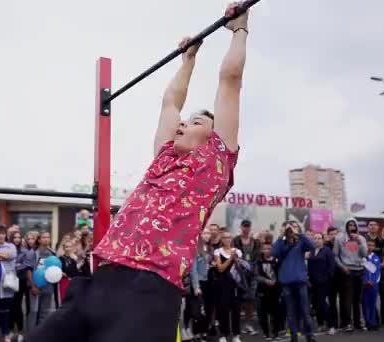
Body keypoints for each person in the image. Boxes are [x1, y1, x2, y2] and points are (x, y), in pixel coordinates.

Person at [28, 3, 247, 341]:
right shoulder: (164, 157)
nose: (185, 123)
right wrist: (188, 60)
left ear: (212, 136)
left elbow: (230, 82)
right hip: (100, 281)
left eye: (197, 122)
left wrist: (239, 29)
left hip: (150, 291)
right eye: (187, 121)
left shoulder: (215, 164)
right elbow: (171, 103)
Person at [333, 219, 367, 332]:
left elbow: (364, 254)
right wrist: (342, 266)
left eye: (353, 225)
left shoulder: (361, 238)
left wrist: (359, 242)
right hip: (348, 271)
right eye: (349, 225)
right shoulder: (339, 238)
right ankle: (348, 323)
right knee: (348, 298)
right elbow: (335, 256)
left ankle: (358, 322)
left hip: (360, 270)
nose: (352, 227)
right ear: (346, 226)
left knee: (358, 299)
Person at [214, 231, 244, 342]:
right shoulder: (218, 252)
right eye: (225, 238)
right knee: (223, 309)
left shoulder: (238, 251)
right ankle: (223, 334)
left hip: (235, 284)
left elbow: (240, 268)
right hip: (223, 284)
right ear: (221, 240)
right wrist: (231, 258)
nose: (227, 239)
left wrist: (236, 259)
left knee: (236, 309)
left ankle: (236, 335)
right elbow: (220, 268)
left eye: (229, 237)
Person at [233, 219, 260, 335]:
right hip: (239, 273)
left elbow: (257, 256)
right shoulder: (236, 240)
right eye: (244, 226)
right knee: (239, 300)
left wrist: (251, 268)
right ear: (241, 227)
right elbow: (233, 254)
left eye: (248, 226)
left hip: (252, 273)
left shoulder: (256, 242)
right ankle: (238, 324)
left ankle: (248, 323)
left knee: (250, 299)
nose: (246, 228)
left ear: (250, 227)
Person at [27, 230, 57, 328]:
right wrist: (33, 286)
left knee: (45, 313)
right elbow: (28, 270)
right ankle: (31, 336)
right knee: (34, 312)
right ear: (39, 240)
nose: (46, 239)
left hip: (48, 286)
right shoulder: (32, 253)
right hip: (35, 286)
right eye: (43, 237)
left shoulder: (52, 253)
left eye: (48, 237)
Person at [307, 233, 335, 335]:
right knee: (316, 304)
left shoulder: (327, 251)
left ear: (323, 240)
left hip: (324, 283)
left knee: (322, 304)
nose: (317, 240)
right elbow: (309, 267)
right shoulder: (311, 251)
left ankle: (331, 325)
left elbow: (331, 267)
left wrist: (327, 279)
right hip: (313, 282)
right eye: (315, 238)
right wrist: (309, 279)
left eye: (319, 238)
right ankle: (320, 324)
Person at [8, 231, 32, 342]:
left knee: (17, 305)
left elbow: (26, 265)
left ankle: (21, 331)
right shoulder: (6, 249)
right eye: (15, 237)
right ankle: (11, 330)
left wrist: (14, 266)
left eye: (19, 237)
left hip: (20, 280)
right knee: (10, 306)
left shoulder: (24, 251)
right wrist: (15, 265)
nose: (17, 239)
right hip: (7, 280)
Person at [255, 242, 280, 340]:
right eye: (265, 249)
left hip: (275, 290)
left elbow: (280, 273)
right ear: (262, 250)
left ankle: (276, 332)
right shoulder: (259, 261)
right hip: (263, 290)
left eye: (269, 248)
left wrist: (276, 281)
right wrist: (265, 281)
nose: (267, 251)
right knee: (263, 313)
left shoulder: (277, 260)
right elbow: (256, 275)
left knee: (275, 313)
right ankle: (266, 333)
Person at [362, 239, 382, 331]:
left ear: (374, 247)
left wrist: (372, 281)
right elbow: (362, 272)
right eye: (368, 245)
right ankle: (367, 322)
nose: (369, 247)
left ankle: (373, 322)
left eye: (371, 245)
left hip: (373, 284)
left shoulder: (376, 257)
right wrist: (366, 281)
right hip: (364, 284)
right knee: (365, 303)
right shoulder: (362, 257)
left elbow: (377, 271)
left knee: (372, 304)